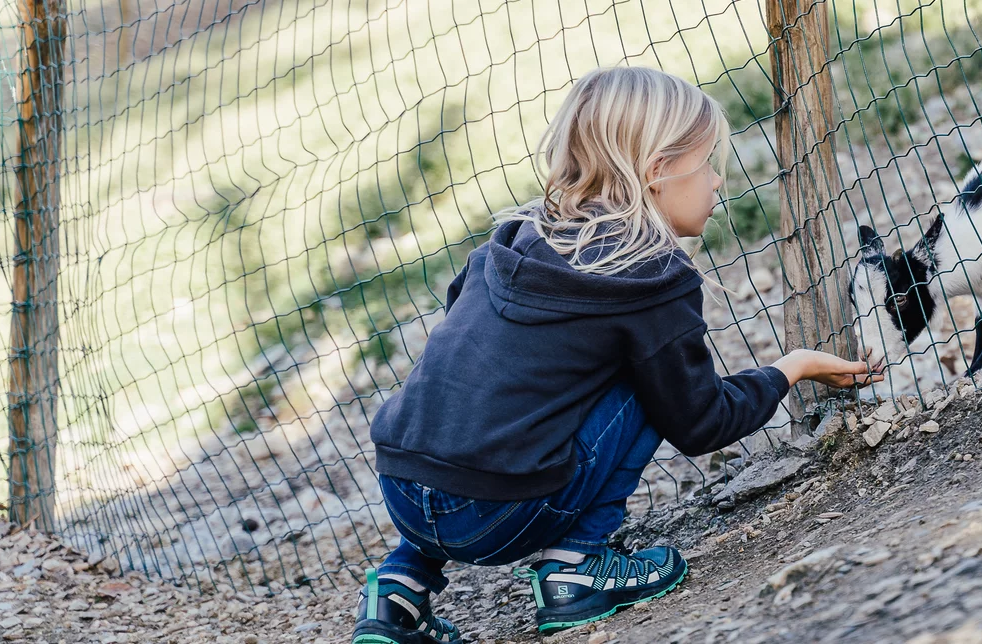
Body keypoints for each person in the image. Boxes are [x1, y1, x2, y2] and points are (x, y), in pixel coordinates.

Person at [351, 66, 882, 644]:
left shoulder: (509, 239)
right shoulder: (650, 274)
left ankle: (398, 589)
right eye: (708, 165)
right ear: (658, 170)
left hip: (401, 488)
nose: (718, 183)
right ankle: (577, 567)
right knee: (646, 382)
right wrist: (792, 367)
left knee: (481, 394)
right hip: (498, 515)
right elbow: (699, 421)